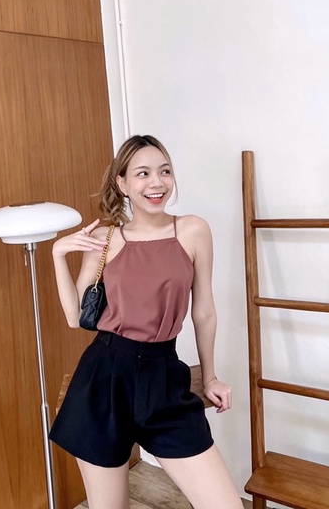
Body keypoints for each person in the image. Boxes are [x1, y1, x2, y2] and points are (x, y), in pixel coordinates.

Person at [49, 134, 243, 509]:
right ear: (122, 183)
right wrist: (58, 254)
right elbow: (75, 318)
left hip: (164, 376)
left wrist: (211, 376)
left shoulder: (193, 230)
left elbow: (203, 310)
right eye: (143, 173)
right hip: (103, 379)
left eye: (164, 171)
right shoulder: (104, 239)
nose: (156, 182)